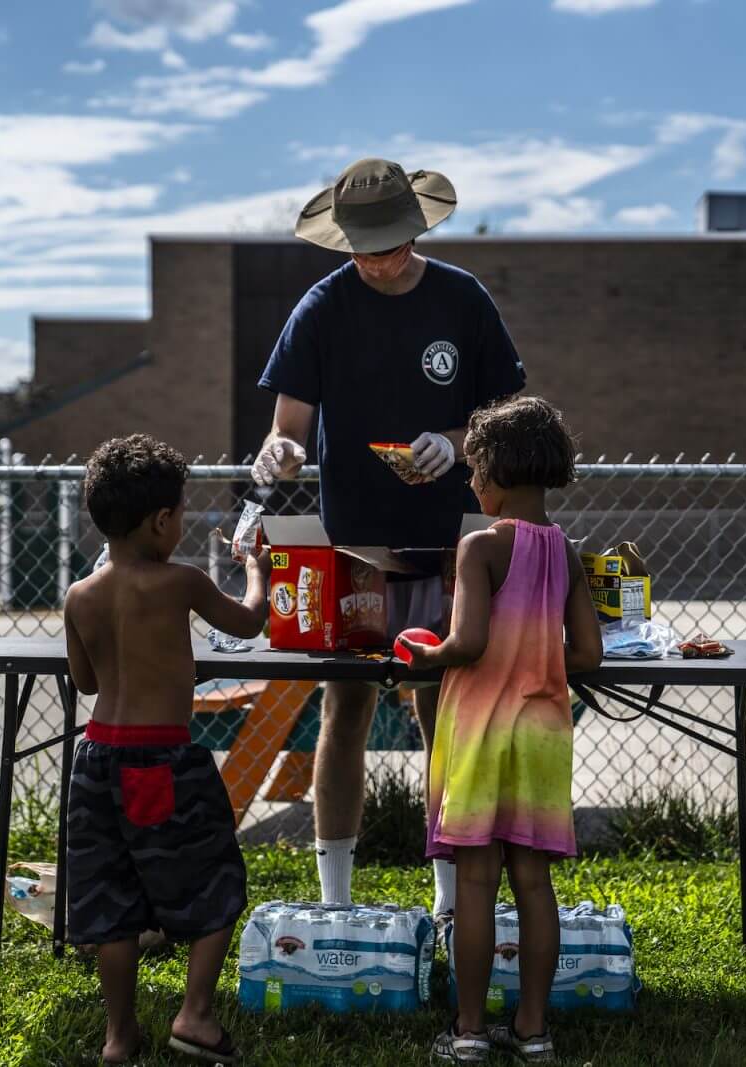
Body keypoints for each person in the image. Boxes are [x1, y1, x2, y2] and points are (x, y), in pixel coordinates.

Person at [252, 157, 526, 919]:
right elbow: (289, 430)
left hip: (450, 545)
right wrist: (280, 452)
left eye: (393, 243)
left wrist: (453, 437)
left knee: (442, 708)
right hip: (352, 548)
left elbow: (506, 419)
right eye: (364, 247)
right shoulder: (322, 306)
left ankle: (449, 902)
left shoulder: (463, 299)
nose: (378, 259)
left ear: (417, 229)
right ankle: (334, 898)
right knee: (344, 714)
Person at [398, 397, 603, 1064]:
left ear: (501, 474)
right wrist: (541, 659)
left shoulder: (481, 545)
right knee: (535, 883)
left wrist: (426, 656)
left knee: (478, 883)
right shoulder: (567, 551)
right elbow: (589, 654)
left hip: (482, 728)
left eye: (475, 468)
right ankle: (534, 1028)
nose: (470, 481)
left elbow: (468, 641)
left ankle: (468, 1031)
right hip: (543, 729)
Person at [63, 433, 268, 1066]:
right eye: (179, 513)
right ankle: (195, 1016)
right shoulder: (181, 582)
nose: (180, 523)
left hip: (97, 761)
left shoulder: (79, 595)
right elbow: (250, 621)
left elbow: (87, 681)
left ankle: (119, 1038)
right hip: (163, 762)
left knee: (112, 902)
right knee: (217, 880)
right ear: (160, 521)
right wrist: (255, 566)